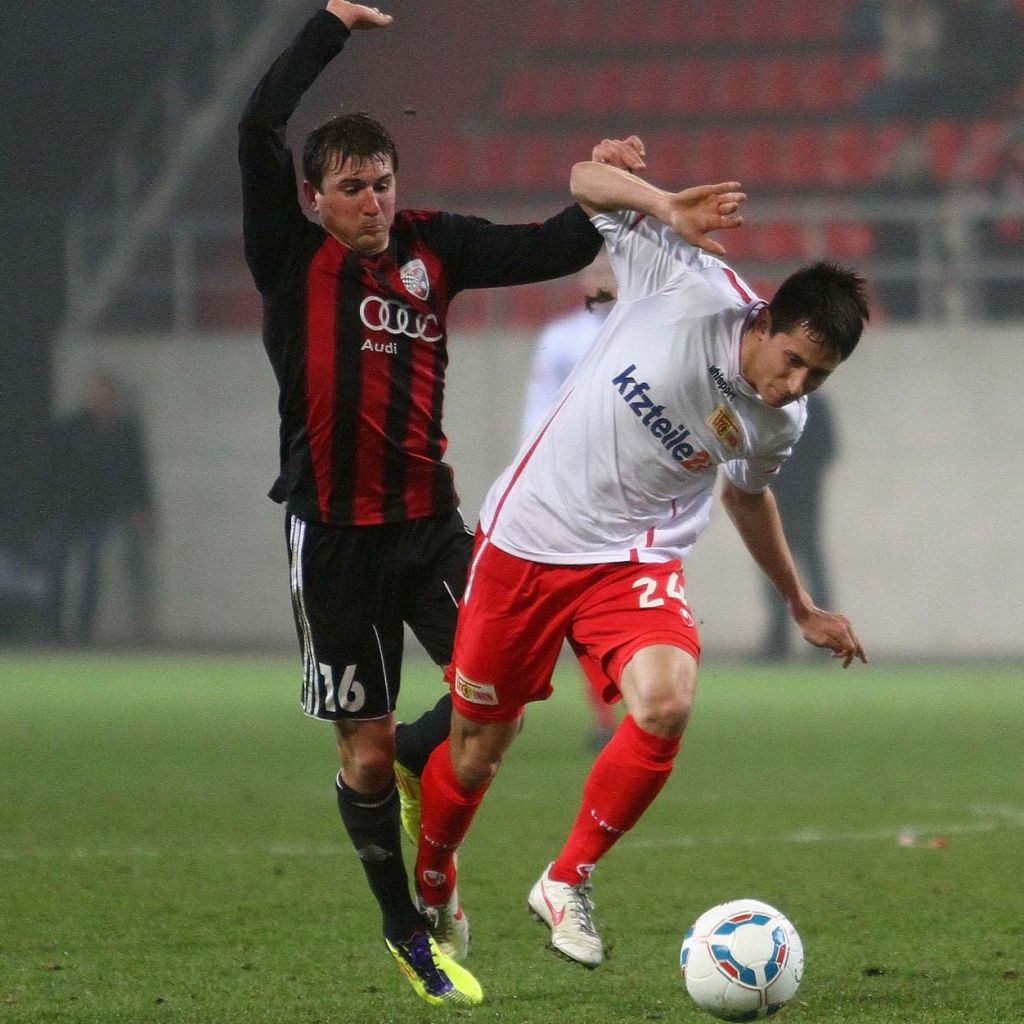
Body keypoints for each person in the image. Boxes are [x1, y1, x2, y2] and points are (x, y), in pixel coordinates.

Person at [237, 0, 645, 1007]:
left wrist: (614, 185)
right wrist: (325, 27)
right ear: (314, 197)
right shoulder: (289, 260)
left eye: (381, 183)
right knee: (363, 751)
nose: (371, 202)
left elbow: (550, 245)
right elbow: (255, 127)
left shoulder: (436, 247)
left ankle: (429, 756)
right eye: (350, 188)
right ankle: (402, 924)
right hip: (330, 540)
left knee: (501, 691)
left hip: (431, 531)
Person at [413, 161, 869, 985]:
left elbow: (745, 497)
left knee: (666, 700)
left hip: (632, 561)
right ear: (764, 320)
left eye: (818, 376)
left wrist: (800, 604)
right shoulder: (684, 282)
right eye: (794, 360)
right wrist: (661, 204)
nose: (795, 384)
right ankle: (435, 877)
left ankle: (566, 880)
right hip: (527, 540)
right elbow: (586, 178)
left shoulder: (780, 421)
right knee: (479, 749)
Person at [519, 253, 621, 749]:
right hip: (565, 493)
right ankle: (499, 701)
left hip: (623, 496)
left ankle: (613, 717)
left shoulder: (643, 336)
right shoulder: (560, 339)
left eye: (610, 270)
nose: (601, 278)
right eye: (594, 270)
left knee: (606, 607)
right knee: (560, 607)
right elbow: (537, 414)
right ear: (583, 277)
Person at [43, 370, 157, 645]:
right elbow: (54, 469)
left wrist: (143, 508)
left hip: (101, 512)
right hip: (69, 510)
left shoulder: (125, 431)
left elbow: (136, 473)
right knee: (57, 568)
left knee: (92, 569)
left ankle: (84, 631)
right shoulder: (73, 428)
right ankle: (53, 630)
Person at [760, 392, 838, 660]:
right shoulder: (792, 403)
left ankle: (819, 640)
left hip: (798, 500)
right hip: (782, 499)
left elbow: (828, 450)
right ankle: (780, 640)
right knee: (780, 570)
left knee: (792, 568)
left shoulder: (806, 405)